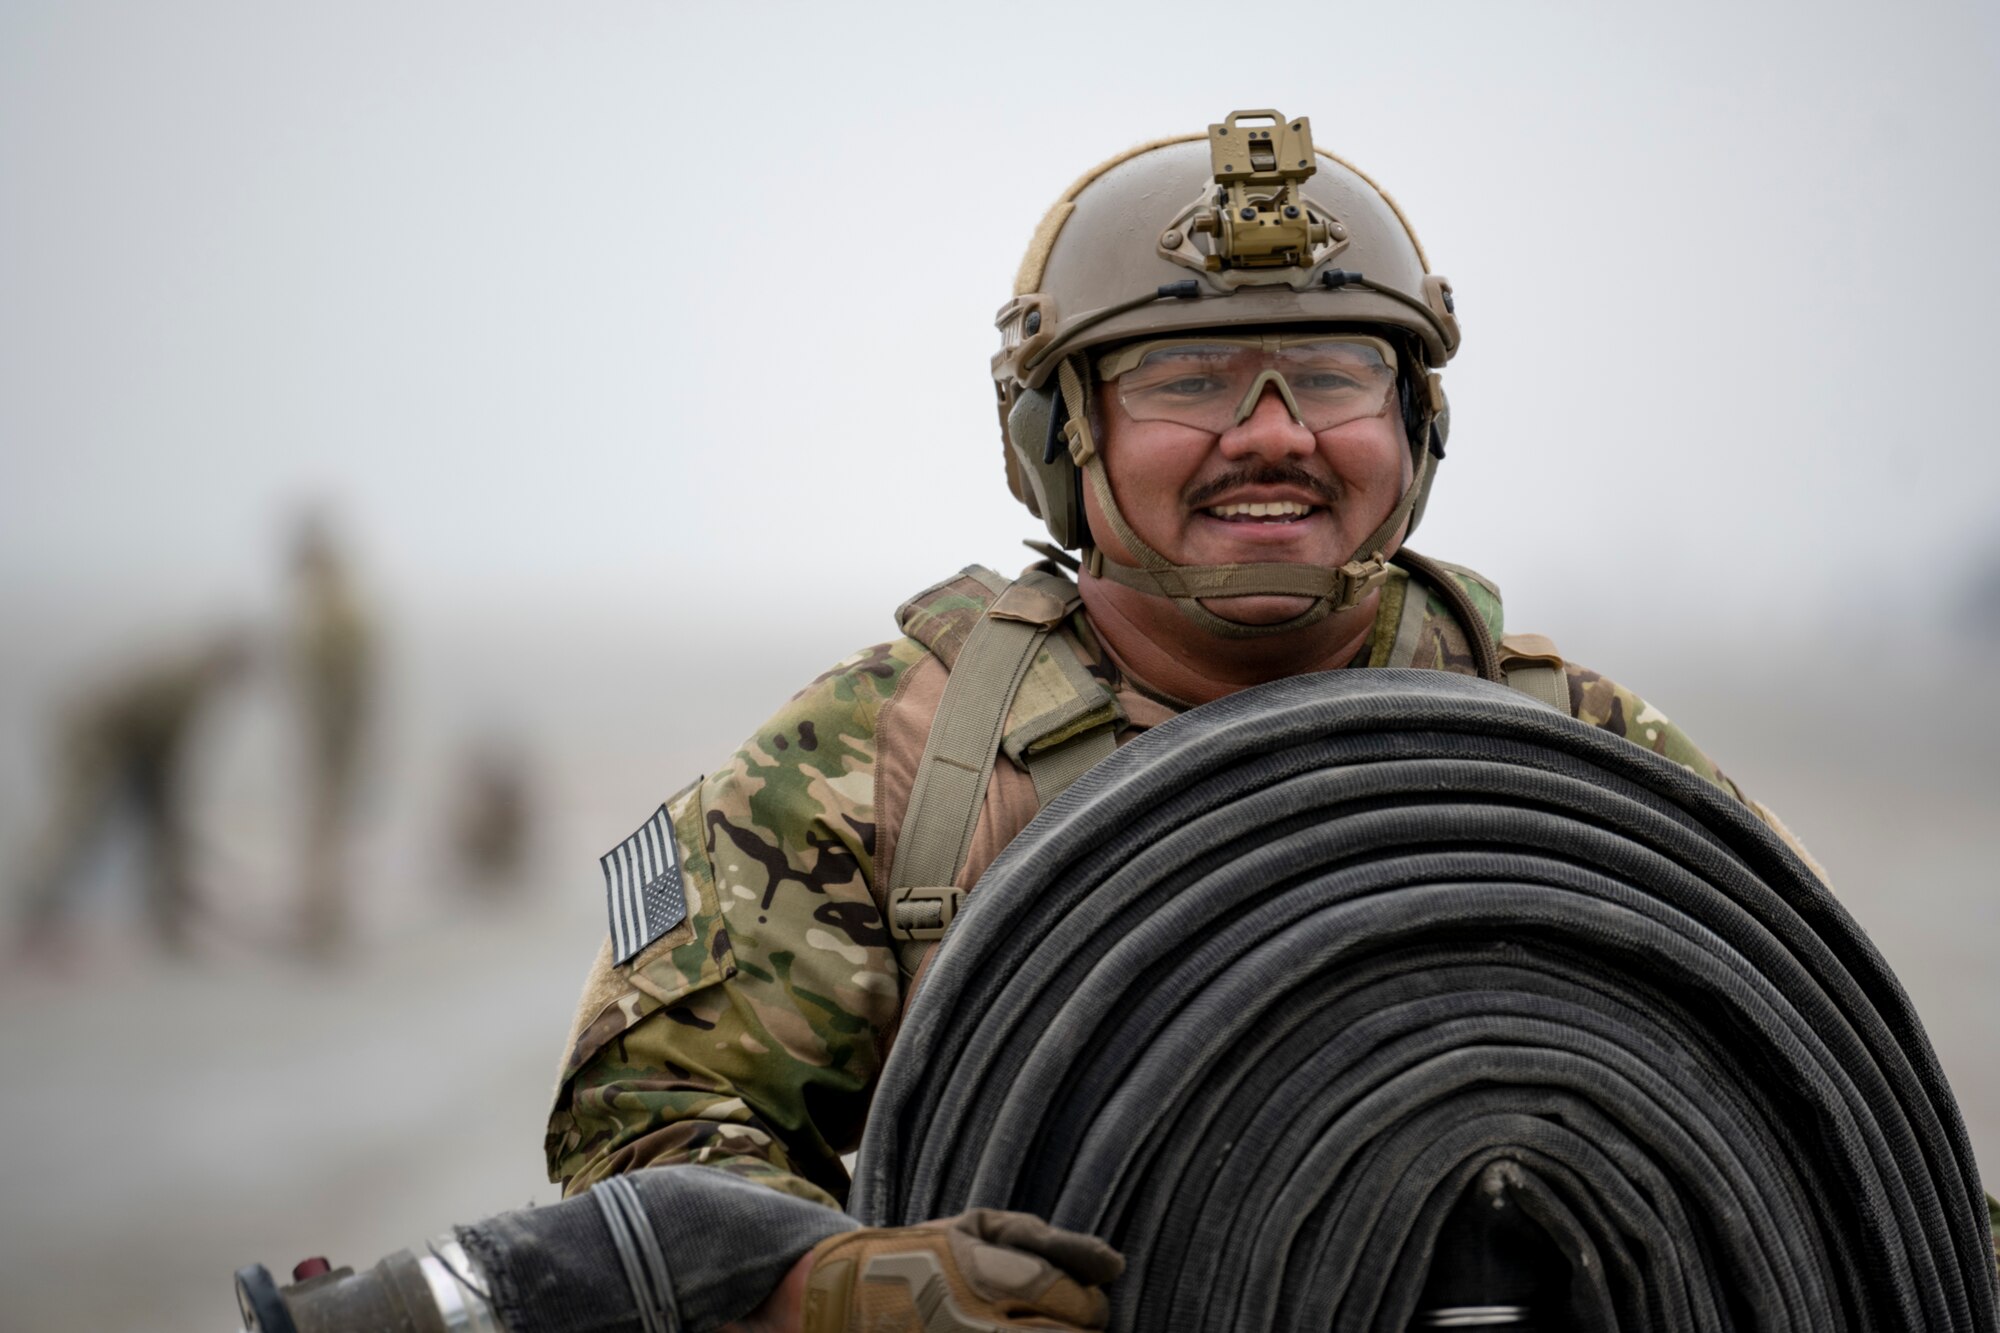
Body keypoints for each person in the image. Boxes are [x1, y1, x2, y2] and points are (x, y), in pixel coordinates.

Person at [542, 110, 1827, 1330]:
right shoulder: (885, 761)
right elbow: (642, 1126)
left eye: (1329, 375)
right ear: (1063, 433)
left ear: (1412, 425)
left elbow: (1844, 1125)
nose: (1269, 436)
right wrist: (829, 1284)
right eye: (1187, 377)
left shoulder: (1582, 756)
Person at [14, 631, 250, 956]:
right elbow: (168, 759)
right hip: (94, 735)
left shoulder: (188, 676)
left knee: (160, 827)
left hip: (125, 740)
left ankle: (166, 914)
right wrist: (169, 812)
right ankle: (37, 907)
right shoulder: (185, 686)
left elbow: (157, 753)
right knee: (80, 823)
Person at [289, 511, 373, 956]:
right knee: (329, 826)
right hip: (336, 737)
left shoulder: (330, 609)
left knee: (326, 827)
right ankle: (325, 917)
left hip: (333, 740)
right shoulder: (342, 604)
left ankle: (321, 920)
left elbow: (339, 685)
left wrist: (332, 741)